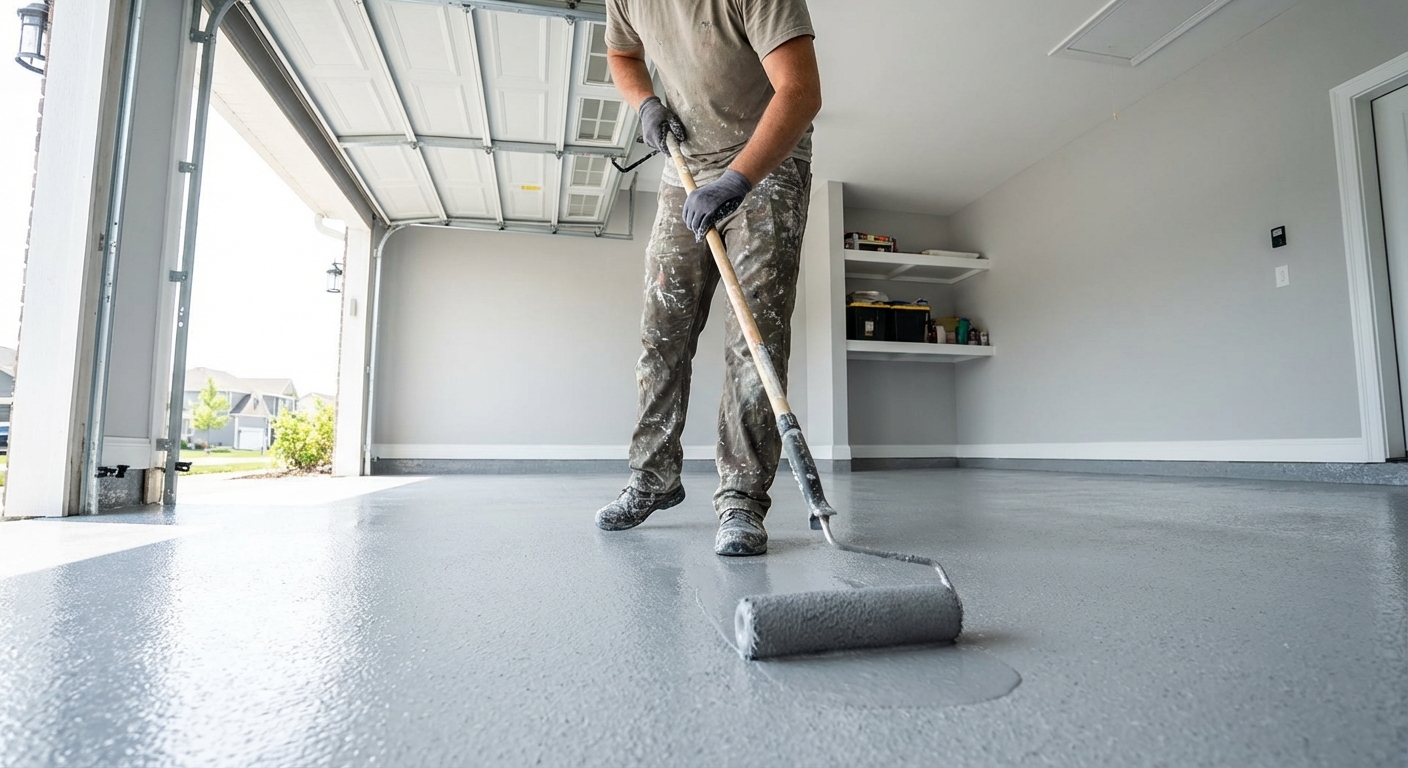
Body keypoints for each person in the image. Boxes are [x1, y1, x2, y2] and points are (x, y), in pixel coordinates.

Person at [594, 0, 822, 556]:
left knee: (753, 341)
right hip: (685, 172)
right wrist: (644, 101)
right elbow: (623, 53)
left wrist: (738, 180)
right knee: (661, 331)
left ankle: (742, 498)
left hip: (765, 168)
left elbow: (801, 92)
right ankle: (653, 478)